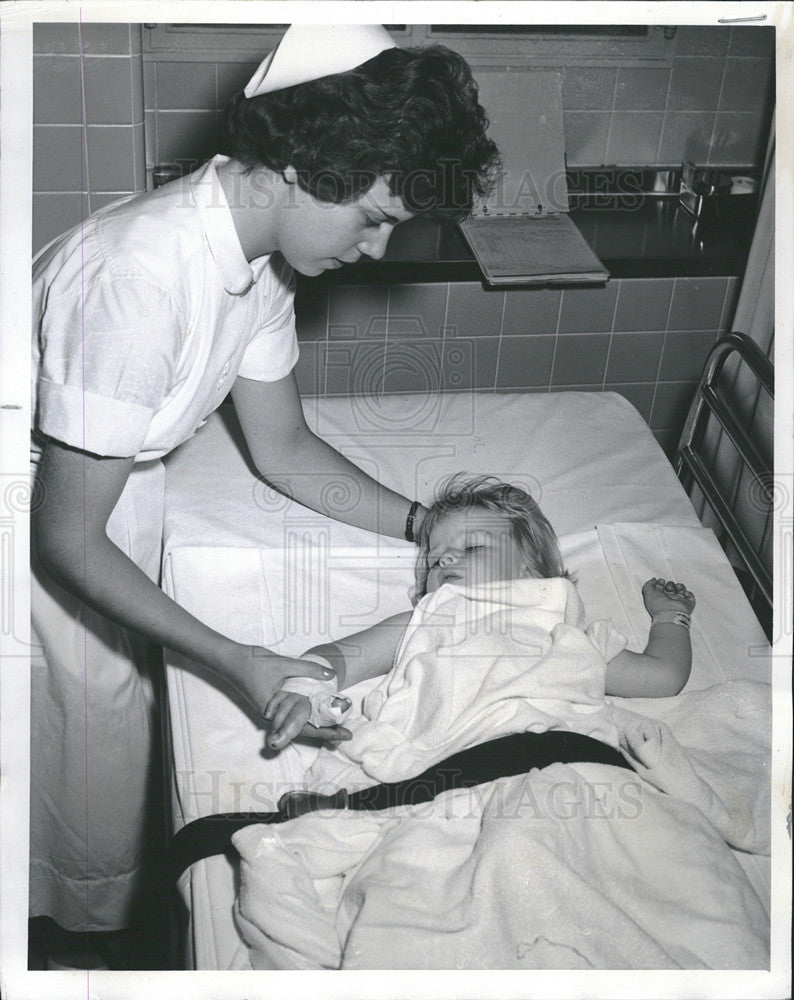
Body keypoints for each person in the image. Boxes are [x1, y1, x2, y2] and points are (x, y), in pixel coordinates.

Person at [29, 23, 500, 946]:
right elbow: (64, 539)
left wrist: (425, 525)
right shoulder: (139, 276)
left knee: (109, 742)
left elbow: (283, 449)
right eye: (374, 217)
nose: (375, 252)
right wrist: (237, 657)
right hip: (42, 527)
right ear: (301, 165)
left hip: (102, 506)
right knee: (71, 756)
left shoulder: (255, 265)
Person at [263, 473, 696, 812]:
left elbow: (663, 675)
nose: (446, 559)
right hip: (450, 764)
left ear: (532, 570)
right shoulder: (427, 618)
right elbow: (341, 657)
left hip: (562, 757)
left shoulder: (564, 623)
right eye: (435, 559)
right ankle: (359, 813)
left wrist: (669, 616)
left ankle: (362, 814)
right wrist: (305, 689)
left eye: (472, 548)